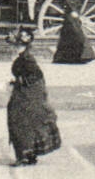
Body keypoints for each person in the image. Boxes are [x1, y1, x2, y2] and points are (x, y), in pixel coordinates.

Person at [6, 29, 62, 166]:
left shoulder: (27, 59)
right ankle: (29, 155)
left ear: (23, 45)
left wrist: (19, 82)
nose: (14, 48)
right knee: (27, 123)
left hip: (27, 96)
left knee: (19, 122)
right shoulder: (24, 57)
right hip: (27, 94)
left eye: (17, 45)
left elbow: (36, 77)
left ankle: (24, 157)